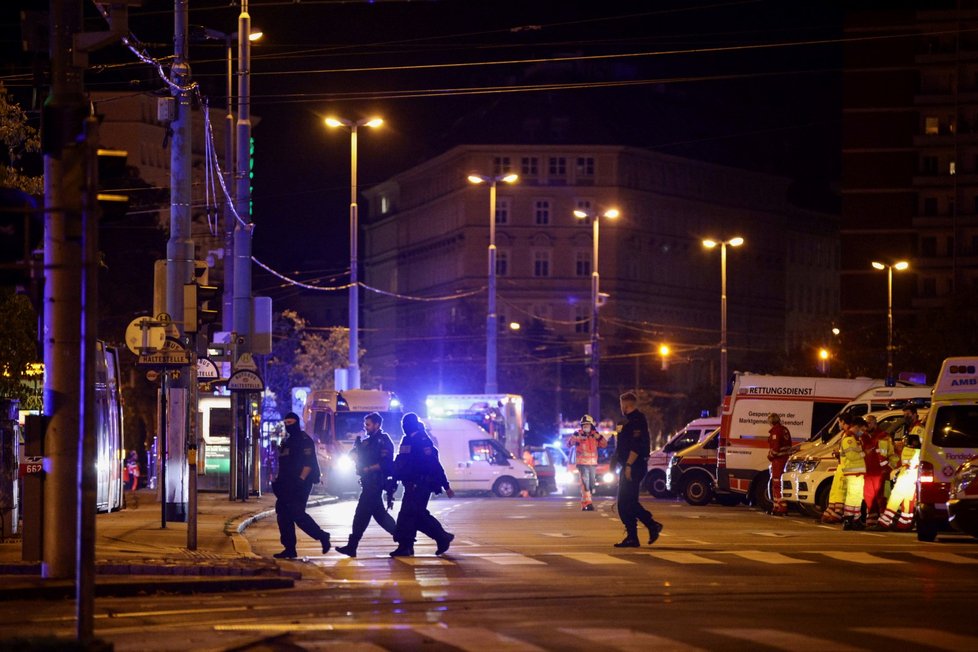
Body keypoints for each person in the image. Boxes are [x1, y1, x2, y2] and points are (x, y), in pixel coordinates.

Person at [389, 412, 455, 557]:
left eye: (405, 424)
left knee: (412, 515)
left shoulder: (422, 440)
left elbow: (434, 464)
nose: (404, 427)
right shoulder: (406, 440)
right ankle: (409, 545)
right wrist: (393, 479)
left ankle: (439, 537)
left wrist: (446, 485)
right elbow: (401, 462)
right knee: (413, 515)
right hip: (410, 484)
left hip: (421, 484)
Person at [335, 412, 398, 558]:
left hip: (375, 483)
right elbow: (353, 454)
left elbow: (385, 463)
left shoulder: (383, 440)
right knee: (380, 516)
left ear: (377, 425)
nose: (366, 427)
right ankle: (403, 538)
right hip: (368, 482)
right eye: (365, 425)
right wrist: (354, 453)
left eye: (368, 425)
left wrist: (367, 469)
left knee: (361, 515)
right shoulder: (366, 441)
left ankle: (352, 546)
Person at [271, 412, 332, 559]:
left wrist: (300, 480)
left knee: (297, 513)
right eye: (286, 423)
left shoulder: (304, 440)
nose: (288, 426)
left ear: (297, 423)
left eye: (291, 423)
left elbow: (308, 463)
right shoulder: (287, 441)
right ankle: (289, 548)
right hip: (286, 483)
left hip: (300, 483)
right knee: (283, 515)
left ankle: (322, 536)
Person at [612, 392, 662, 547]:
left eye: (621, 404)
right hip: (627, 465)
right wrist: (614, 462)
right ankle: (635, 535)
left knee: (626, 503)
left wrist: (628, 466)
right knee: (627, 502)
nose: (620, 407)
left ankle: (650, 525)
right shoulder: (624, 422)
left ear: (626, 404)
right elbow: (621, 445)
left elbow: (637, 445)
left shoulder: (638, 420)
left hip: (634, 466)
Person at [878, 408, 924, 531]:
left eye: (908, 414)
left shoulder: (918, 429)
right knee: (908, 497)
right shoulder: (912, 429)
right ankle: (905, 522)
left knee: (896, 494)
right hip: (910, 468)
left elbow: (917, 448)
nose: (906, 417)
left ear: (915, 414)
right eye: (904, 415)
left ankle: (885, 521)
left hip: (911, 468)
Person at [862, 414, 899, 530]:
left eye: (869, 423)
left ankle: (884, 522)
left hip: (882, 473)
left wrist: (888, 469)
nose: (867, 426)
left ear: (875, 423)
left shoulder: (884, 436)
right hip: (868, 473)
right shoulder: (863, 437)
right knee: (869, 498)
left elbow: (893, 456)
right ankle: (871, 522)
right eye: (866, 423)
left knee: (883, 498)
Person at [567, 414, 607, 511]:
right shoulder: (578, 435)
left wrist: (599, 437)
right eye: (584, 425)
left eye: (587, 425)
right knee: (585, 483)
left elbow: (604, 445)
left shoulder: (594, 435)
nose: (586, 427)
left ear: (591, 426)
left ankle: (584, 504)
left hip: (593, 464)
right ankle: (588, 504)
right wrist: (574, 438)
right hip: (582, 464)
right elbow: (568, 444)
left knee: (591, 484)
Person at [820, 414, 852, 524]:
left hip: (846, 467)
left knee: (840, 490)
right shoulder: (845, 434)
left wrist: (839, 453)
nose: (838, 424)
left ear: (843, 422)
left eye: (839, 422)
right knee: (835, 490)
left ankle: (837, 513)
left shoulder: (849, 435)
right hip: (842, 465)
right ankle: (830, 511)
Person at [840, 416, 868, 530]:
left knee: (857, 497)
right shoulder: (849, 438)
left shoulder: (854, 438)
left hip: (857, 472)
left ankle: (855, 518)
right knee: (852, 497)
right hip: (852, 472)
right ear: (857, 427)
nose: (863, 432)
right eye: (862, 429)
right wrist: (864, 453)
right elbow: (851, 456)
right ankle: (848, 519)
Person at [766, 413, 792, 516]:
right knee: (780, 483)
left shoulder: (775, 432)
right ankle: (778, 506)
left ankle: (780, 507)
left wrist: (770, 456)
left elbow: (775, 449)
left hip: (778, 461)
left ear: (771, 421)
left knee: (777, 484)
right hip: (785, 459)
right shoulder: (784, 429)